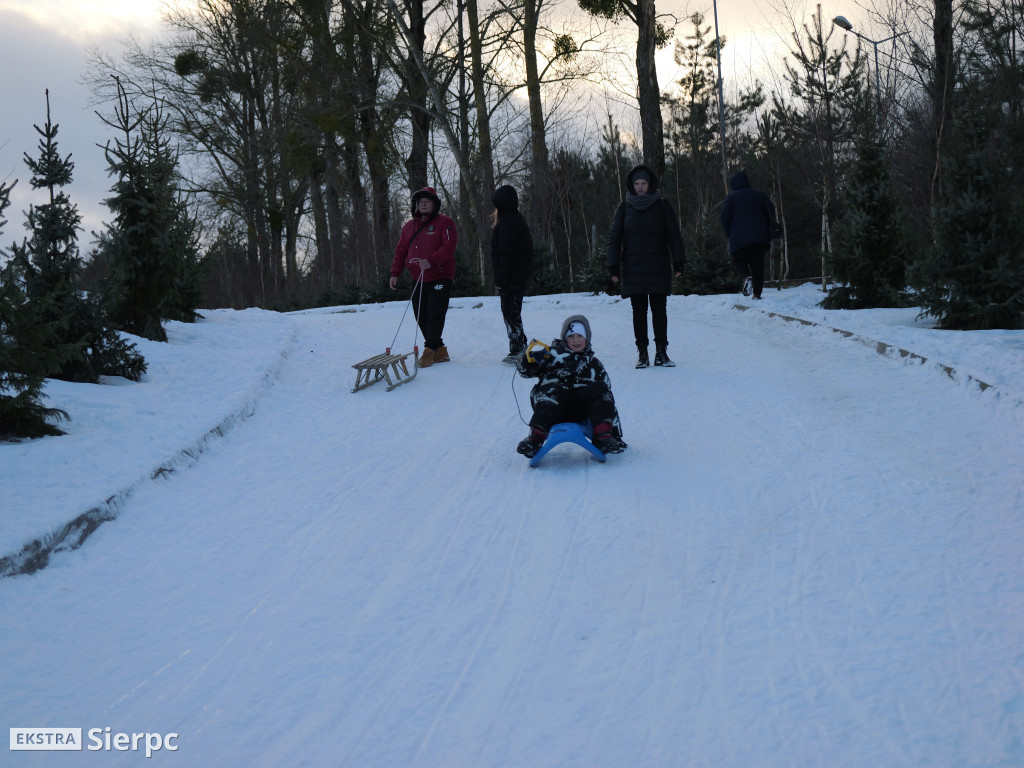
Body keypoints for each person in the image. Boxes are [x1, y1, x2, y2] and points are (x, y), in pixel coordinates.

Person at [607, 163, 686, 369]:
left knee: (659, 310)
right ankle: (643, 354)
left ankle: (661, 353)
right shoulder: (624, 209)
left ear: (650, 185)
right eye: (637, 183)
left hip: (658, 264)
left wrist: (678, 261)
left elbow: (673, 235)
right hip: (633, 267)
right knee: (638, 312)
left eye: (644, 183)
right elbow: (615, 238)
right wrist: (613, 266)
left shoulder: (662, 206)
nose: (640, 187)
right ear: (632, 186)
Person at [515, 314, 626, 458]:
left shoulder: (594, 364)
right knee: (555, 389)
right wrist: (525, 361)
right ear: (564, 338)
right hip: (551, 406)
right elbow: (526, 372)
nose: (575, 340)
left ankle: (603, 437)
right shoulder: (551, 354)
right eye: (571, 336)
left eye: (580, 335)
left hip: (581, 410)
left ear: (587, 338)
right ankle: (534, 439)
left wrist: (615, 434)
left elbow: (607, 397)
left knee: (600, 388)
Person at [389, 186, 458, 367]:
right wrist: (395, 273)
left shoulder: (445, 222)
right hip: (418, 277)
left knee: (435, 313)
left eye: (427, 201)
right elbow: (401, 250)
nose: (424, 204)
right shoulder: (409, 227)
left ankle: (429, 351)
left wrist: (432, 260)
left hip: (440, 275)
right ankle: (440, 350)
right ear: (415, 205)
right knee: (421, 316)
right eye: (420, 202)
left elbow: (449, 247)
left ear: (434, 204)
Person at [490, 185, 534, 364]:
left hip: (512, 278)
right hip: (517, 276)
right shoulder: (514, 219)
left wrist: (501, 279)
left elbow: (506, 253)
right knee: (512, 311)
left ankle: (518, 348)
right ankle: (518, 345)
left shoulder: (509, 222)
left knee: (511, 311)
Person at [720, 170, 776, 301]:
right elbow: (771, 210)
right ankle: (757, 294)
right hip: (760, 237)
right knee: (758, 265)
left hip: (739, 238)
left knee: (739, 261)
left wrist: (729, 233)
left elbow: (724, 218)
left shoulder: (731, 198)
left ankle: (746, 277)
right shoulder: (759, 195)